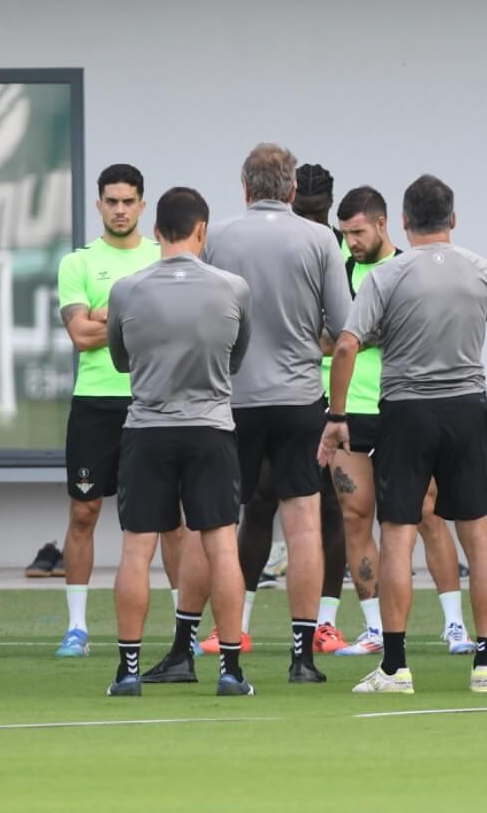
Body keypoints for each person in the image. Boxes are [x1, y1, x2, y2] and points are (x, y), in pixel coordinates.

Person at [319, 174, 487, 695]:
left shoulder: (387, 276)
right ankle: (485, 666)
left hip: (406, 413)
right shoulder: (481, 269)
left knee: (398, 536)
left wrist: (336, 416)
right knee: (479, 539)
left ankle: (396, 668)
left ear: (402, 222)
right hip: (466, 411)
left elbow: (346, 346)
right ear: (453, 219)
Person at [151, 145, 350, 687]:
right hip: (298, 398)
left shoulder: (217, 237)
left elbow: (195, 313)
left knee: (209, 526)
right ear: (292, 190)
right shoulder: (321, 240)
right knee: (303, 525)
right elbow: (343, 329)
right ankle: (302, 657)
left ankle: (184, 650)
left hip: (229, 401)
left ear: (244, 188)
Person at [105, 187, 253, 697]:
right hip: (211, 428)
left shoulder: (127, 289)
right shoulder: (233, 287)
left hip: (146, 429)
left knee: (136, 549)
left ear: (155, 230)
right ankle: (230, 670)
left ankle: (127, 672)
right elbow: (236, 358)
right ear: (201, 230)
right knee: (222, 546)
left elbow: (120, 360)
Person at [331, 185, 476, 658]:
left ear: (384, 224)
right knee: (356, 516)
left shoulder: (407, 269)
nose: (352, 242)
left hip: (403, 407)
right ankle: (376, 629)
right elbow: (329, 338)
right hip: (352, 410)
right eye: (345, 234)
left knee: (428, 513)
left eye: (358, 232)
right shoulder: (339, 272)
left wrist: (365, 334)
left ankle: (455, 625)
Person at [53, 164, 164, 658]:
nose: (120, 210)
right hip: (94, 402)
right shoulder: (77, 263)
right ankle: (77, 627)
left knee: (167, 520)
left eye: (128, 201)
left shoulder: (161, 257)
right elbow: (80, 335)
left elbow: (170, 327)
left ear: (142, 205)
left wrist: (105, 314)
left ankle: (181, 630)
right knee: (84, 512)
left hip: (153, 398)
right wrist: (136, 319)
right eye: (111, 201)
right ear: (98, 204)